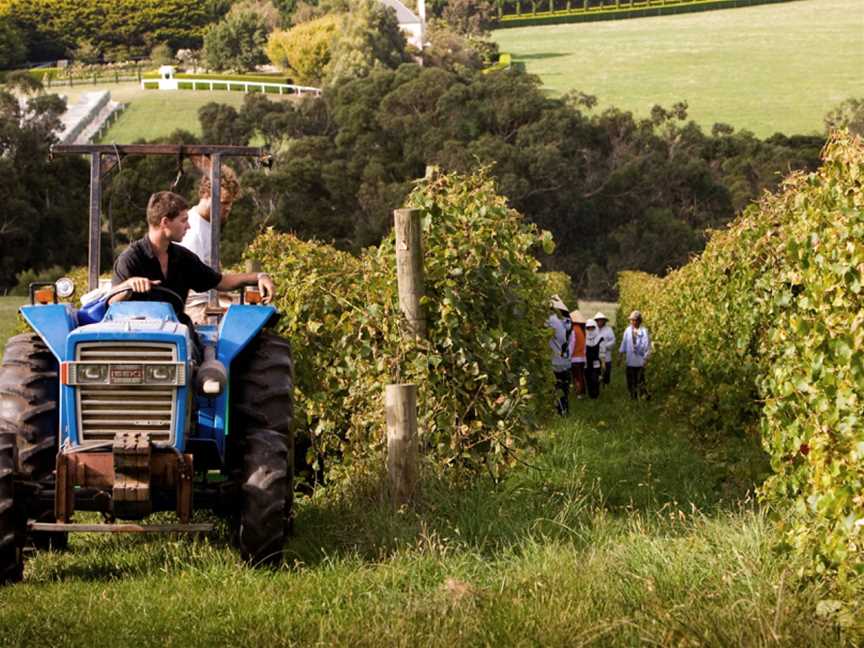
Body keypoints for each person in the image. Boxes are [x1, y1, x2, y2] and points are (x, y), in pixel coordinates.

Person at [111, 191, 275, 337]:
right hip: (138, 338)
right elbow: (111, 303)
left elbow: (220, 281)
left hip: (177, 333)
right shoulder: (130, 259)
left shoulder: (183, 258)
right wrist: (128, 286)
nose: (188, 226)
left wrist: (258, 276)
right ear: (165, 222)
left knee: (212, 365)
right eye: (183, 221)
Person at [178, 164, 242, 324]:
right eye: (224, 202)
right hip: (196, 309)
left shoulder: (209, 225)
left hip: (208, 301)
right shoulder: (192, 231)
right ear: (206, 195)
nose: (228, 208)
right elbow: (191, 282)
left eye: (230, 203)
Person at [546, 295, 573, 415]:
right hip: (566, 361)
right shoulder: (567, 322)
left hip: (555, 362)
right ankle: (564, 413)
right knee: (564, 390)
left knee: (555, 390)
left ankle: (559, 413)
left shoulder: (552, 321)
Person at [619, 310, 651, 400]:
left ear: (639, 321)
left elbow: (647, 346)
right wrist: (620, 356)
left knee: (640, 380)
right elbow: (624, 343)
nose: (632, 322)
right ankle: (633, 397)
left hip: (640, 361)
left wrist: (646, 358)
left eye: (634, 320)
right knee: (630, 380)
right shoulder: (628, 330)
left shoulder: (644, 331)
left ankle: (644, 395)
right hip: (630, 361)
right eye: (631, 320)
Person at [584, 318, 605, 400]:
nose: (590, 329)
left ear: (595, 327)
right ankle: (591, 395)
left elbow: (602, 352)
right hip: (587, 362)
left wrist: (603, 363)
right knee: (588, 379)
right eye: (588, 328)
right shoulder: (584, 338)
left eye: (592, 327)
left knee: (595, 378)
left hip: (596, 362)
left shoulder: (600, 338)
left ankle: (595, 394)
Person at [594, 312, 615, 387]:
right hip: (596, 354)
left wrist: (605, 346)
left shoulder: (609, 330)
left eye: (601, 320)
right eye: (598, 320)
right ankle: (597, 384)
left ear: (604, 321)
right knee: (597, 370)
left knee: (606, 370)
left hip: (606, 355)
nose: (600, 322)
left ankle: (606, 384)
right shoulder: (593, 329)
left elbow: (613, 341)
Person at [569, 310, 587, 398]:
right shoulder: (582, 330)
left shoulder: (574, 330)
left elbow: (572, 343)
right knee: (581, 375)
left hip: (575, 357)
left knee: (576, 376)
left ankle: (578, 393)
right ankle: (582, 392)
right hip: (582, 357)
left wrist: (569, 354)